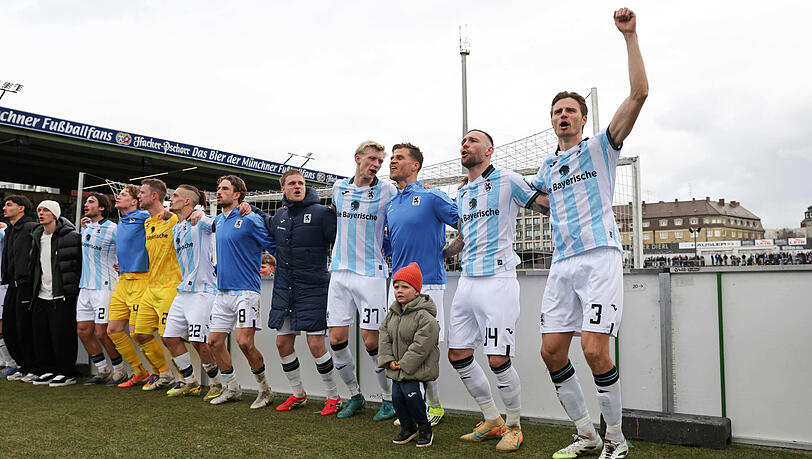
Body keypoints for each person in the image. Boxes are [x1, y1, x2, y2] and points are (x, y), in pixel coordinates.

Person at [532, 8, 648, 459]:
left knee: (595, 350)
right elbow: (541, 202)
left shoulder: (601, 147)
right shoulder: (547, 167)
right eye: (558, 112)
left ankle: (617, 440)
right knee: (551, 352)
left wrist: (630, 37)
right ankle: (586, 433)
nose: (564, 117)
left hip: (599, 257)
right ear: (553, 120)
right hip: (562, 264)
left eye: (571, 111)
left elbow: (639, 94)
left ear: (583, 119)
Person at [442, 129, 549, 452]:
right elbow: (463, 238)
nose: (465, 145)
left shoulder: (508, 179)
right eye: (463, 141)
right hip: (467, 281)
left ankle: (514, 426)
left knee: (497, 357)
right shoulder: (461, 194)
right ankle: (492, 419)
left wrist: (578, 205)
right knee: (458, 353)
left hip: (498, 280)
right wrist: (444, 253)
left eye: (472, 141)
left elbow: (543, 205)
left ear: (489, 150)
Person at [384, 142, 458, 426]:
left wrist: (452, 250)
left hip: (429, 283)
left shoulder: (432, 196)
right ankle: (417, 406)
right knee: (403, 345)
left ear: (415, 165)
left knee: (426, 346)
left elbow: (465, 221)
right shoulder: (392, 203)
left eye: (399, 158)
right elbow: (390, 243)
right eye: (391, 158)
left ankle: (434, 407)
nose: (392, 162)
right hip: (399, 284)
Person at [327, 140, 398, 420]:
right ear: (357, 158)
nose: (376, 165)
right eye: (372, 159)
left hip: (370, 275)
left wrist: (389, 245)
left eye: (380, 162)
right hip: (340, 274)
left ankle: (388, 399)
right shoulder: (338, 189)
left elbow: (400, 216)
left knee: (372, 342)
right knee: (336, 339)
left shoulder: (388, 189)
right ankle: (355, 395)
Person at [267, 169, 342, 415]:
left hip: (314, 288)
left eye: (301, 183)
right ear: (283, 189)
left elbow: (340, 240)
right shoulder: (279, 215)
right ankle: (298, 394)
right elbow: (264, 233)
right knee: (282, 343)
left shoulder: (322, 213)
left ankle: (334, 397)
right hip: (285, 288)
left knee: (315, 343)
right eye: (292, 183)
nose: (298, 186)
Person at [208, 175, 276, 408]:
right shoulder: (218, 220)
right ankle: (232, 388)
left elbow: (274, 245)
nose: (218, 192)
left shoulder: (250, 218)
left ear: (237, 195)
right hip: (222, 292)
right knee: (214, 343)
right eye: (218, 188)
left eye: (224, 188)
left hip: (246, 291)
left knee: (244, 343)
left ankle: (265, 390)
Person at [161, 184, 224, 399]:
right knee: (169, 338)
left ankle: (216, 384)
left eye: (176, 196)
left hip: (203, 291)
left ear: (188, 201)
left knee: (199, 341)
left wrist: (202, 213)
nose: (172, 199)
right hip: (184, 292)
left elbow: (221, 225)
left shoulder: (200, 221)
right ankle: (190, 381)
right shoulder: (176, 227)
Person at [106, 185, 165, 388]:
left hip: (141, 280)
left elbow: (162, 219)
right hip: (123, 280)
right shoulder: (120, 221)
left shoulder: (142, 217)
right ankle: (139, 371)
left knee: (137, 332)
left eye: (123, 194)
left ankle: (161, 372)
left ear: (134, 201)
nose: (118, 196)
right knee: (113, 330)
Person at [378, 262, 440, 448]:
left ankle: (424, 428)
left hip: (415, 370)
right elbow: (384, 336)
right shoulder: (392, 314)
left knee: (413, 398)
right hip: (396, 369)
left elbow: (422, 345)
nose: (399, 290)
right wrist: (389, 361)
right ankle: (408, 428)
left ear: (417, 290)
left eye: (405, 287)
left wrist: (403, 363)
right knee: (397, 399)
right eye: (396, 286)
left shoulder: (425, 317)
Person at [132, 178, 180, 391]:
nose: (138, 196)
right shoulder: (147, 222)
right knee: (140, 333)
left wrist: (176, 215)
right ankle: (165, 373)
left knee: (169, 336)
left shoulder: (173, 219)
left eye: (142, 192)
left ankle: (184, 378)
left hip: (171, 286)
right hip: (151, 287)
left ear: (154, 196)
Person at [77, 193, 128, 385]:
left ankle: (119, 370)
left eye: (91, 202)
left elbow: (128, 248)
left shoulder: (114, 228)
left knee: (102, 332)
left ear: (102, 208)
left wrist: (121, 265)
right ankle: (102, 369)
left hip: (105, 286)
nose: (86, 204)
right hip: (85, 287)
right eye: (86, 201)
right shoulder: (86, 227)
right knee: (83, 331)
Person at [29, 201, 82, 387]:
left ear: (55, 214)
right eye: (39, 210)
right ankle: (48, 369)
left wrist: (72, 289)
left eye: (46, 210)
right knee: (41, 335)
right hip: (41, 294)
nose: (41, 213)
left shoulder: (71, 237)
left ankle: (66, 372)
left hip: (62, 294)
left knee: (62, 336)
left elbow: (77, 265)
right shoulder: (36, 236)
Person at [1, 195, 39, 381]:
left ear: (21, 208)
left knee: (24, 328)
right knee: (8, 329)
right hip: (11, 284)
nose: (4, 208)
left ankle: (33, 366)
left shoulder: (31, 227)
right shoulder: (10, 230)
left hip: (26, 285)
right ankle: (23, 365)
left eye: (9, 205)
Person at [0, 221, 21, 377]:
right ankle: (4, 361)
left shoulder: (4, 232)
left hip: (3, 285)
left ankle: (11, 363)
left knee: (3, 324)